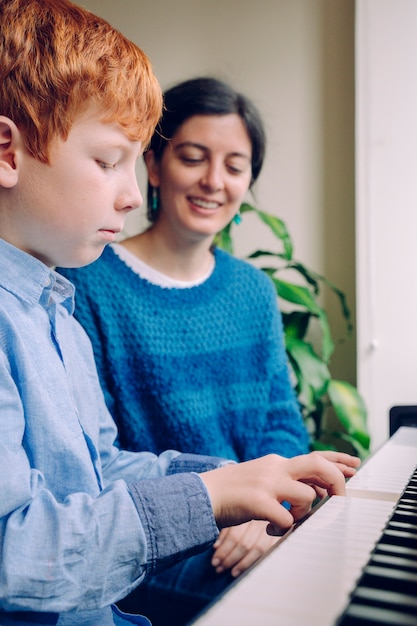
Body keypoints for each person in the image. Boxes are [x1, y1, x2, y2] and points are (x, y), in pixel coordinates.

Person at [0, 2, 361, 625]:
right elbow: (20, 551)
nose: (130, 194)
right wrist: (213, 498)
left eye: (235, 166)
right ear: (8, 153)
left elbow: (102, 467)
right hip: (146, 564)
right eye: (110, 161)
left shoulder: (52, 307)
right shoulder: (85, 287)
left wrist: (247, 479)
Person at [57, 77, 311, 624]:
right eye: (193, 158)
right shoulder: (89, 284)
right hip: (158, 547)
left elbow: (282, 427)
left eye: (235, 166)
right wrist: (227, 503)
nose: (213, 181)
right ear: (153, 166)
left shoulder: (252, 290)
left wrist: (267, 514)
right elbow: (98, 458)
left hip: (257, 528)